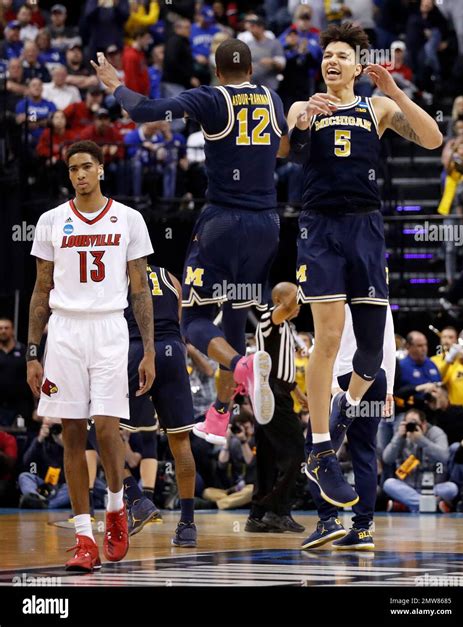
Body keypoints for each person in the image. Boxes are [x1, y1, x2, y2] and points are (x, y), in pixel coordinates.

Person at [93, 38, 289, 444]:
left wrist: (114, 84)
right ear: (252, 71)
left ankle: (243, 367)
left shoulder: (211, 98)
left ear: (218, 73)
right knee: (234, 317)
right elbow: (289, 148)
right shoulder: (273, 99)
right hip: (268, 223)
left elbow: (145, 111)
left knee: (192, 320)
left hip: (222, 221)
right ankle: (219, 414)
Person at [280, 23, 442, 508]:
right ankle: (322, 447)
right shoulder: (302, 106)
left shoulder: (377, 108)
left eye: (341, 56)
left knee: (373, 353)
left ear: (356, 65)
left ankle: (342, 413)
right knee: (329, 337)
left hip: (366, 229)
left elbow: (433, 140)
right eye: (326, 54)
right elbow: (281, 152)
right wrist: (302, 122)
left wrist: (395, 90)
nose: (331, 61)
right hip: (319, 227)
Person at [26, 139, 155, 572]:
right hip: (63, 332)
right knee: (72, 434)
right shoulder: (50, 221)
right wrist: (32, 352)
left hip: (109, 328)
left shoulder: (129, 219)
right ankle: (84, 537)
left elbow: (140, 289)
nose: (79, 174)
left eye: (86, 167)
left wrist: (149, 349)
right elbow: (41, 290)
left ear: (101, 169)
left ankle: (116, 506)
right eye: (72, 169)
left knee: (105, 427)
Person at [302, 304, 395, 550]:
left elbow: (326, 344)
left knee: (317, 448)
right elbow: (388, 343)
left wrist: (332, 384)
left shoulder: (334, 295)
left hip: (343, 375)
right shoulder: (378, 297)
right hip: (376, 377)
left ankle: (328, 520)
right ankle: (363, 529)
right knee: (364, 452)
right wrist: (388, 388)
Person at [122, 264, 198, 547]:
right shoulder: (170, 277)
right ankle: (188, 525)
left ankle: (136, 499)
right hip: (174, 352)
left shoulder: (121, 271)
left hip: (137, 349)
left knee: (99, 429)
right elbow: (182, 321)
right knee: (181, 442)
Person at [245, 282, 305, 533]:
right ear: (280, 300)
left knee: (268, 456)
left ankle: (258, 514)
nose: (299, 301)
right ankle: (278, 511)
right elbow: (288, 304)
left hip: (278, 391)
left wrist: (300, 394)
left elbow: (284, 369)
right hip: (271, 393)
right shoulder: (271, 319)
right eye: (294, 296)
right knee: (295, 451)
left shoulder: (288, 328)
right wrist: (308, 279)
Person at [382, 408, 457, 512]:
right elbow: (387, 458)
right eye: (409, 423)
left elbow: (444, 457)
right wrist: (399, 437)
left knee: (452, 488)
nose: (412, 426)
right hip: (407, 488)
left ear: (424, 424)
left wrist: (421, 440)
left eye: (415, 423)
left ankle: (408, 505)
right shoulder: (401, 434)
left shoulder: (436, 433)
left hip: (433, 489)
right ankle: (431, 506)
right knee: (388, 484)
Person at [0, 317, 32, 427]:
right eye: (0, 328)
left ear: (12, 330)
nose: (3, 331)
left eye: (6, 328)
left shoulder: (24, 351)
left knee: (19, 439)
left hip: (20, 407)